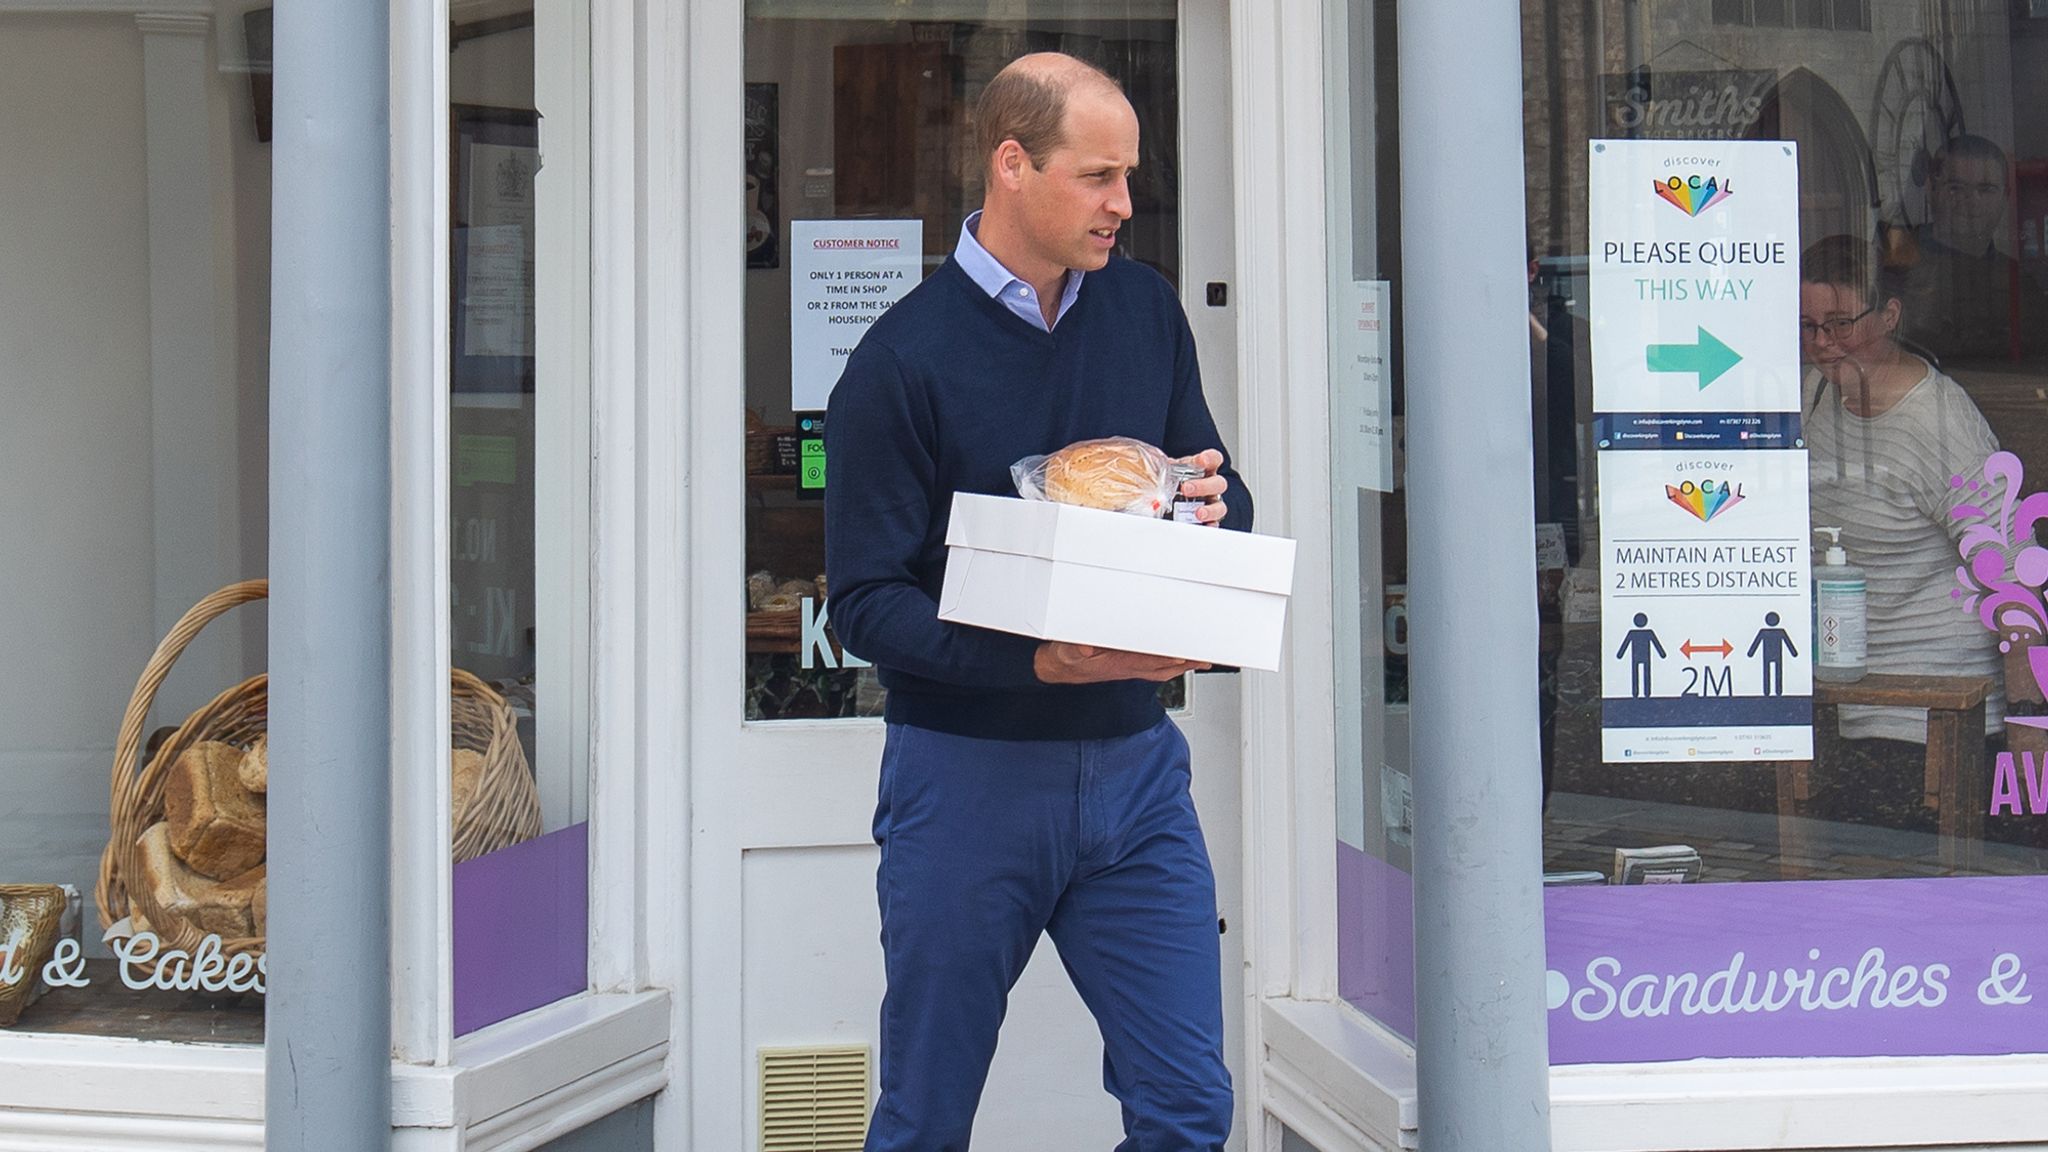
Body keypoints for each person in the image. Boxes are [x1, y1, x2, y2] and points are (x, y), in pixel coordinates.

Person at [823, 52, 1250, 1150]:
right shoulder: (897, 362)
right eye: (1098, 177)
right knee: (925, 1121)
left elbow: (1217, 490)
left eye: (1128, 177)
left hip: (1136, 775)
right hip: (967, 782)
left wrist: (1212, 515)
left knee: (1189, 1110)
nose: (1123, 204)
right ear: (1012, 165)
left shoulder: (1144, 310)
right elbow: (866, 606)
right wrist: (1033, 662)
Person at [1801, 233, 2006, 741]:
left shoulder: (1939, 421)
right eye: (1808, 326)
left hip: (1939, 709)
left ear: (1889, 315)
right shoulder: (1814, 393)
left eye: (1841, 323)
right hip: (1846, 699)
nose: (1823, 342)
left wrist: (2031, 721)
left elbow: (2013, 574)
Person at [1896, 134, 2048, 366]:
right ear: (1931, 189)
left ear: (2006, 196)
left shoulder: (2020, 284)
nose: (1971, 200)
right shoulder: (1893, 267)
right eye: (1955, 188)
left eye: (1986, 189)